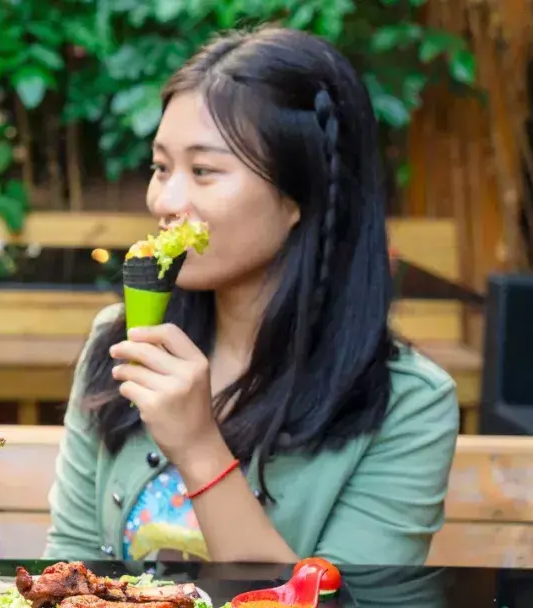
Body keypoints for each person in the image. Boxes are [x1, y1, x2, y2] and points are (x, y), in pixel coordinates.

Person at [45, 26, 459, 565]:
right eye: (160, 167)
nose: (166, 200)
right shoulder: (117, 345)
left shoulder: (408, 404)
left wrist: (198, 449)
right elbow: (71, 564)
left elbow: (346, 602)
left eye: (203, 171)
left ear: (299, 198)